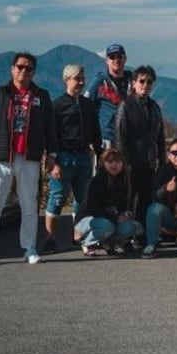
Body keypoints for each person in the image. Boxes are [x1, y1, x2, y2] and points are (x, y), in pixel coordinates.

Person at [0, 52, 58, 267]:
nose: (24, 71)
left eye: (28, 68)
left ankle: (29, 247)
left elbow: (50, 127)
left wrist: (51, 154)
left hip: (29, 156)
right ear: (12, 68)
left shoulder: (42, 95)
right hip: (2, 156)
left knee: (29, 205)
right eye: (20, 67)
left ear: (34, 72)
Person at [42, 63, 102, 255]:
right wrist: (53, 161)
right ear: (67, 80)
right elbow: (50, 134)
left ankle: (79, 236)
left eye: (83, 78)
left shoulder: (88, 105)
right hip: (63, 156)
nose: (81, 82)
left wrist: (100, 154)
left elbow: (95, 132)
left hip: (84, 156)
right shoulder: (57, 105)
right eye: (77, 78)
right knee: (57, 198)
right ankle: (50, 238)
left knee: (83, 199)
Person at [114, 65, 165, 228]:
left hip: (149, 163)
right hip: (132, 163)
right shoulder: (126, 106)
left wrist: (161, 161)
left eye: (149, 82)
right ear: (134, 83)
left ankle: (142, 235)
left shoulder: (155, 107)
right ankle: (126, 235)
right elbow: (120, 136)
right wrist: (125, 163)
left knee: (146, 200)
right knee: (129, 201)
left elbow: (160, 137)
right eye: (142, 81)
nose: (145, 85)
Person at [73, 148, 144, 256]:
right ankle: (87, 242)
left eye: (118, 162)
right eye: (110, 162)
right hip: (90, 219)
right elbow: (93, 209)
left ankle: (110, 242)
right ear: (103, 163)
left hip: (111, 219)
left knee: (134, 227)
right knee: (106, 226)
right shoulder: (96, 181)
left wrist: (126, 214)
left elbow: (124, 206)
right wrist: (115, 218)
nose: (114, 165)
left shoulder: (125, 181)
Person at [86, 43, 132, 149]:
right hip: (107, 137)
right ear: (106, 61)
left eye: (119, 56)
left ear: (125, 59)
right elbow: (87, 104)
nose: (116, 60)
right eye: (112, 57)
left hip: (129, 136)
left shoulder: (132, 79)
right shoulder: (99, 81)